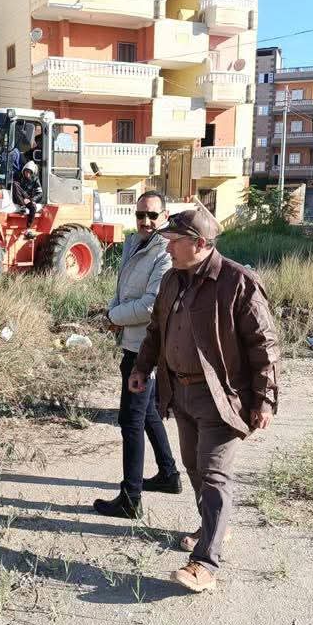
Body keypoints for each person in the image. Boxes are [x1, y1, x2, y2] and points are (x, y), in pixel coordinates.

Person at [130, 206, 280, 593]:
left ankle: (205, 564)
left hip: (222, 397)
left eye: (174, 241)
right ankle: (214, 526)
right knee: (194, 468)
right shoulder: (171, 280)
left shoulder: (238, 281)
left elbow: (264, 345)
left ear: (199, 243)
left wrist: (264, 400)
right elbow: (156, 330)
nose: (168, 248)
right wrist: (142, 368)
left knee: (214, 475)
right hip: (180, 392)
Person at [93, 191, 181, 522]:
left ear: (164, 216)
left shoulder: (165, 252)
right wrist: (113, 311)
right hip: (132, 341)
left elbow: (150, 306)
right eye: (140, 214)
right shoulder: (134, 243)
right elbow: (122, 288)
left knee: (131, 420)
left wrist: (113, 317)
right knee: (147, 414)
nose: (145, 221)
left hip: (146, 349)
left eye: (152, 215)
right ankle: (168, 475)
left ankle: (130, 499)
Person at [13, 161, 43, 238]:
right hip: (20, 197)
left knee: (33, 207)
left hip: (28, 198)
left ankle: (28, 229)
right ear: (24, 171)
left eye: (30, 172)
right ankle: (22, 206)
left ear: (32, 173)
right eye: (26, 171)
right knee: (15, 184)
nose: (28, 174)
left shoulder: (35, 179)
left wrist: (32, 200)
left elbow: (40, 193)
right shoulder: (19, 176)